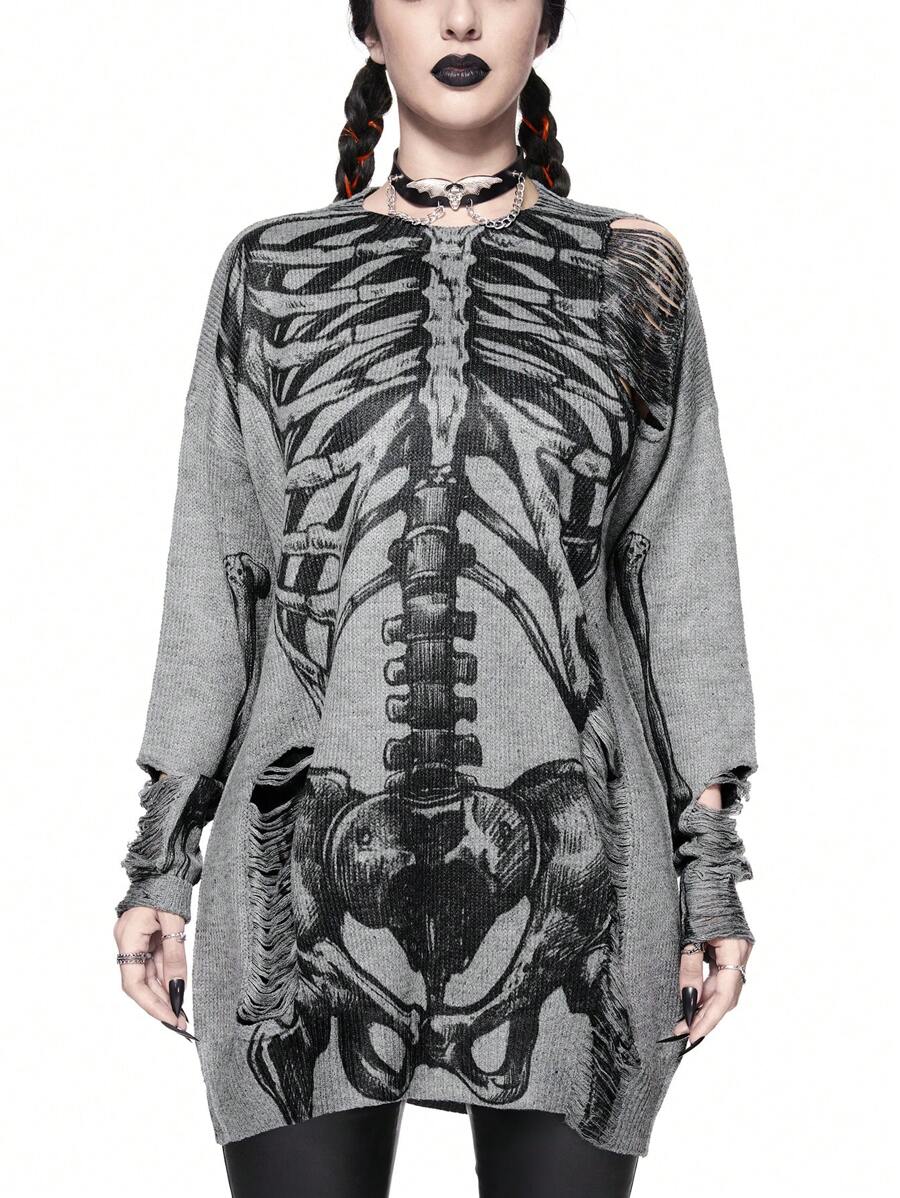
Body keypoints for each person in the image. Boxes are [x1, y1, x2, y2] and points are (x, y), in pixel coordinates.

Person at [112, 2, 758, 1195]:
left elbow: (680, 574)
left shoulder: (632, 273)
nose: (461, 17)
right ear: (367, 27)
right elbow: (219, 572)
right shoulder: (268, 271)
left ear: (547, 26)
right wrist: (160, 862)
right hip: (304, 862)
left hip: (577, 864)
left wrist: (709, 867)